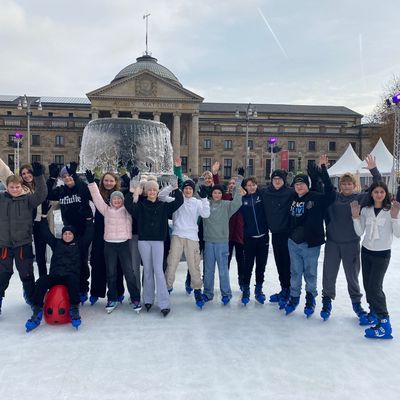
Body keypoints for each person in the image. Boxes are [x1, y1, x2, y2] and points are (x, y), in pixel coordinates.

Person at [321, 155, 381, 322]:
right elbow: (325, 185)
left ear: (355, 185)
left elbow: (377, 188)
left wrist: (374, 170)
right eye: (344, 184)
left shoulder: (360, 198)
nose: (347, 186)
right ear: (340, 185)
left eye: (349, 184)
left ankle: (356, 304)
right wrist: (324, 168)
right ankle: (326, 301)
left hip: (351, 244)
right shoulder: (334, 197)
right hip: (333, 243)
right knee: (329, 274)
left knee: (352, 276)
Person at [25, 203, 94, 331]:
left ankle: (74, 308)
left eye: (70, 234)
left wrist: (89, 219)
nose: (67, 236)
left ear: (74, 235)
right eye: (65, 234)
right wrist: (44, 216)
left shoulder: (79, 245)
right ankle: (37, 309)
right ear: (62, 235)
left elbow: (89, 234)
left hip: (70, 276)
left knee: (74, 281)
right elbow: (45, 233)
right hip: (56, 276)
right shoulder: (56, 243)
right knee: (41, 281)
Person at [125, 179, 183, 317]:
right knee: (147, 269)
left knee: (158, 270)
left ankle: (164, 303)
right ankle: (148, 299)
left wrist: (176, 188)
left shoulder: (163, 205)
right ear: (146, 192)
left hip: (158, 241)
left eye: (154, 190)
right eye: (149, 190)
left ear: (157, 192)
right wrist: (132, 190)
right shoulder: (140, 205)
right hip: (144, 241)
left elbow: (179, 202)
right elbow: (128, 205)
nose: (152, 192)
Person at [285, 155, 333, 317]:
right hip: (293, 243)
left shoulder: (316, 197)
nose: (299, 187)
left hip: (311, 244)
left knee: (310, 273)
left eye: (302, 184)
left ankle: (310, 298)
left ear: (308, 185)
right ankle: (294, 297)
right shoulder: (292, 197)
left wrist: (323, 171)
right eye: (297, 184)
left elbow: (330, 193)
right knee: (295, 272)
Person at [86, 170, 141, 313]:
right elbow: (97, 198)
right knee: (110, 272)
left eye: (119, 199)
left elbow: (133, 196)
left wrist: (133, 179)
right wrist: (91, 183)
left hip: (123, 244)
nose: (116, 201)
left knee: (128, 272)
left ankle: (135, 298)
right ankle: (112, 298)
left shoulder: (127, 210)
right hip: (109, 244)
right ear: (110, 201)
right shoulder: (106, 210)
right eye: (114, 199)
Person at [351, 182, 400, 339]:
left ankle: (385, 324)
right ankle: (373, 313)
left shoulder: (390, 210)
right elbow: (359, 232)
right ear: (371, 194)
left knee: (375, 288)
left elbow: (398, 234)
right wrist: (355, 217)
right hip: (366, 252)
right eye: (376, 192)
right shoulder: (366, 210)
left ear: (386, 194)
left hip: (382, 254)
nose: (379, 195)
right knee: (368, 286)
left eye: (382, 192)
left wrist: (395, 218)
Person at [0, 163, 47, 315]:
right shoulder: (1, 199)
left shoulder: (28, 200)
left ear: (22, 187)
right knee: (2, 274)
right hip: (4, 244)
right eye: (11, 187)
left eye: (17, 187)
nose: (14, 189)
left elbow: (41, 194)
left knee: (26, 274)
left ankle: (30, 297)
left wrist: (39, 177)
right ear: (7, 187)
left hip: (23, 243)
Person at [46, 162, 93, 303]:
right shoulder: (61, 191)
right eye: (64, 176)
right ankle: (70, 287)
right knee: (69, 261)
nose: (67, 178)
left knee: (82, 261)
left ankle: (83, 288)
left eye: (69, 175)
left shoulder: (81, 188)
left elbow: (84, 189)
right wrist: (52, 178)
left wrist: (75, 175)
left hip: (83, 230)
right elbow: (47, 194)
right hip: (68, 233)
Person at [165, 179, 210, 308]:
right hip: (177, 235)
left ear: (193, 190)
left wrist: (204, 199)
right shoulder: (176, 200)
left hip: (192, 237)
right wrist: (172, 187)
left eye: (190, 188)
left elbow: (206, 214)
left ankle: (197, 290)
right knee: (171, 263)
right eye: (186, 188)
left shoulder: (197, 202)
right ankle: (167, 289)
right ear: (182, 190)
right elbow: (162, 196)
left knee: (194, 265)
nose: (188, 190)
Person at [202, 179, 244, 305]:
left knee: (223, 270)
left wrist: (239, 181)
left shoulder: (226, 205)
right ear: (211, 194)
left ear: (222, 194)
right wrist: (201, 184)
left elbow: (237, 202)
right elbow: (196, 197)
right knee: (208, 270)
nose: (217, 195)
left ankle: (226, 294)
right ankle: (208, 293)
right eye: (215, 192)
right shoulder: (206, 204)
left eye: (219, 193)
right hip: (209, 242)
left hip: (222, 242)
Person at [88, 171, 126, 306]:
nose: (108, 183)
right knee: (97, 262)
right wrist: (90, 182)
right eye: (106, 180)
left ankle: (118, 291)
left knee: (116, 264)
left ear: (115, 182)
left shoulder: (121, 195)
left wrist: (130, 178)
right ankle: (96, 291)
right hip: (100, 233)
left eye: (111, 181)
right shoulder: (98, 194)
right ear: (102, 182)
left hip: (116, 235)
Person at [260, 170, 292, 308]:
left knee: (287, 263)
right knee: (279, 263)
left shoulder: (291, 192)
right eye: (275, 178)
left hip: (288, 234)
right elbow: (248, 189)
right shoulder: (265, 192)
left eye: (280, 178)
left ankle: (290, 291)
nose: (277, 181)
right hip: (275, 233)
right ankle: (284, 288)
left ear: (284, 180)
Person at [240, 176, 269, 305]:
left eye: (253, 185)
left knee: (261, 265)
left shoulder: (261, 196)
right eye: (248, 185)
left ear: (257, 185)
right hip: (249, 238)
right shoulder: (243, 199)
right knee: (248, 265)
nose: (251, 187)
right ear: (245, 187)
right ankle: (246, 289)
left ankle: (258, 289)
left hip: (263, 237)